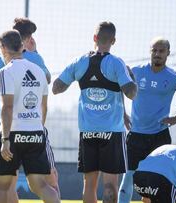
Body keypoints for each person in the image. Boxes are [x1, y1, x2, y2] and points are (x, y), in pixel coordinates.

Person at [52, 21, 137, 203]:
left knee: (89, 184)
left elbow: (56, 88)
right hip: (112, 132)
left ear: (94, 38)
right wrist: (132, 79)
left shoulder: (79, 61)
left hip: (87, 130)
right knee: (110, 185)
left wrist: (74, 79)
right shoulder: (116, 63)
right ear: (113, 41)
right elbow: (131, 93)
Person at [0, 18, 59, 202]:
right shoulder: (39, 69)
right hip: (35, 131)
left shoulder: (3, 70)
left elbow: (5, 107)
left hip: (11, 132)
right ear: (23, 45)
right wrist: (38, 128)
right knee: (40, 185)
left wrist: (5, 139)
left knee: (3, 187)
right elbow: (44, 105)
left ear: (3, 48)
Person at [118, 37, 176, 203]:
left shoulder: (174, 77)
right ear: (150, 52)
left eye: (161, 51)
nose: (157, 54)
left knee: (155, 183)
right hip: (136, 136)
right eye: (154, 50)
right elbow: (120, 88)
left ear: (168, 53)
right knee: (128, 179)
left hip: (159, 137)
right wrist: (123, 115)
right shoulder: (136, 71)